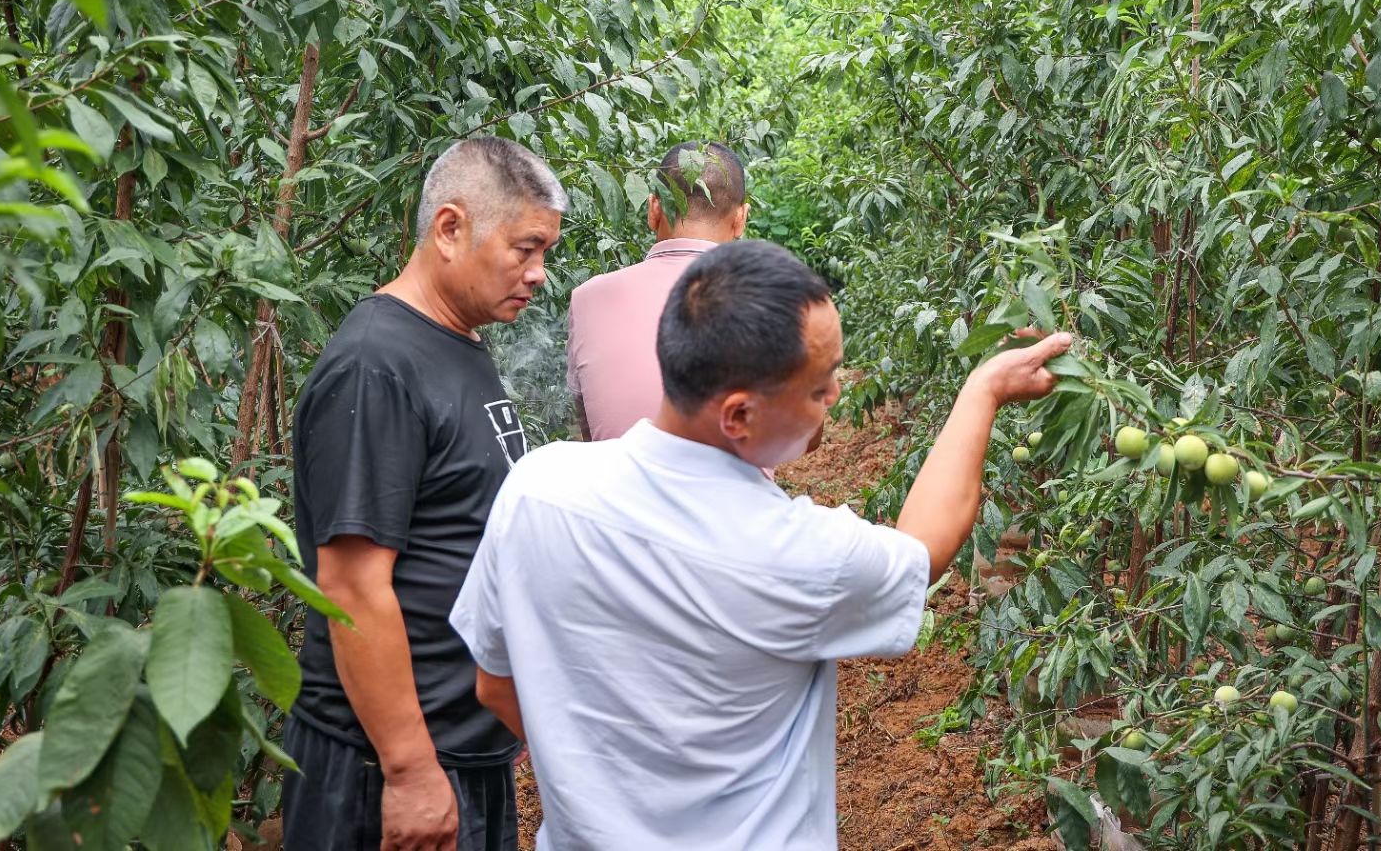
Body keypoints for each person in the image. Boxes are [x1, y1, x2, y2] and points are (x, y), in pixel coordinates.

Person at [450, 240, 1071, 851]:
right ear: (740, 416)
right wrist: (983, 391)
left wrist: (607, 782)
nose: (835, 398)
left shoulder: (538, 488)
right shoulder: (792, 555)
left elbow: (495, 685)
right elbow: (923, 547)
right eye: (819, 386)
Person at [284, 137, 567, 851]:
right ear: (450, 229)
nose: (539, 275)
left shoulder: (456, 342)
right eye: (525, 248)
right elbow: (351, 587)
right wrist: (409, 769)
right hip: (385, 766)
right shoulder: (375, 364)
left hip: (462, 751)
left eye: (546, 254)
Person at [565, 140, 748, 441]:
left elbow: (587, 425)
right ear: (740, 218)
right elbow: (804, 434)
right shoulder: (773, 300)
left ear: (653, 208)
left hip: (617, 487)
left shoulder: (587, 297)